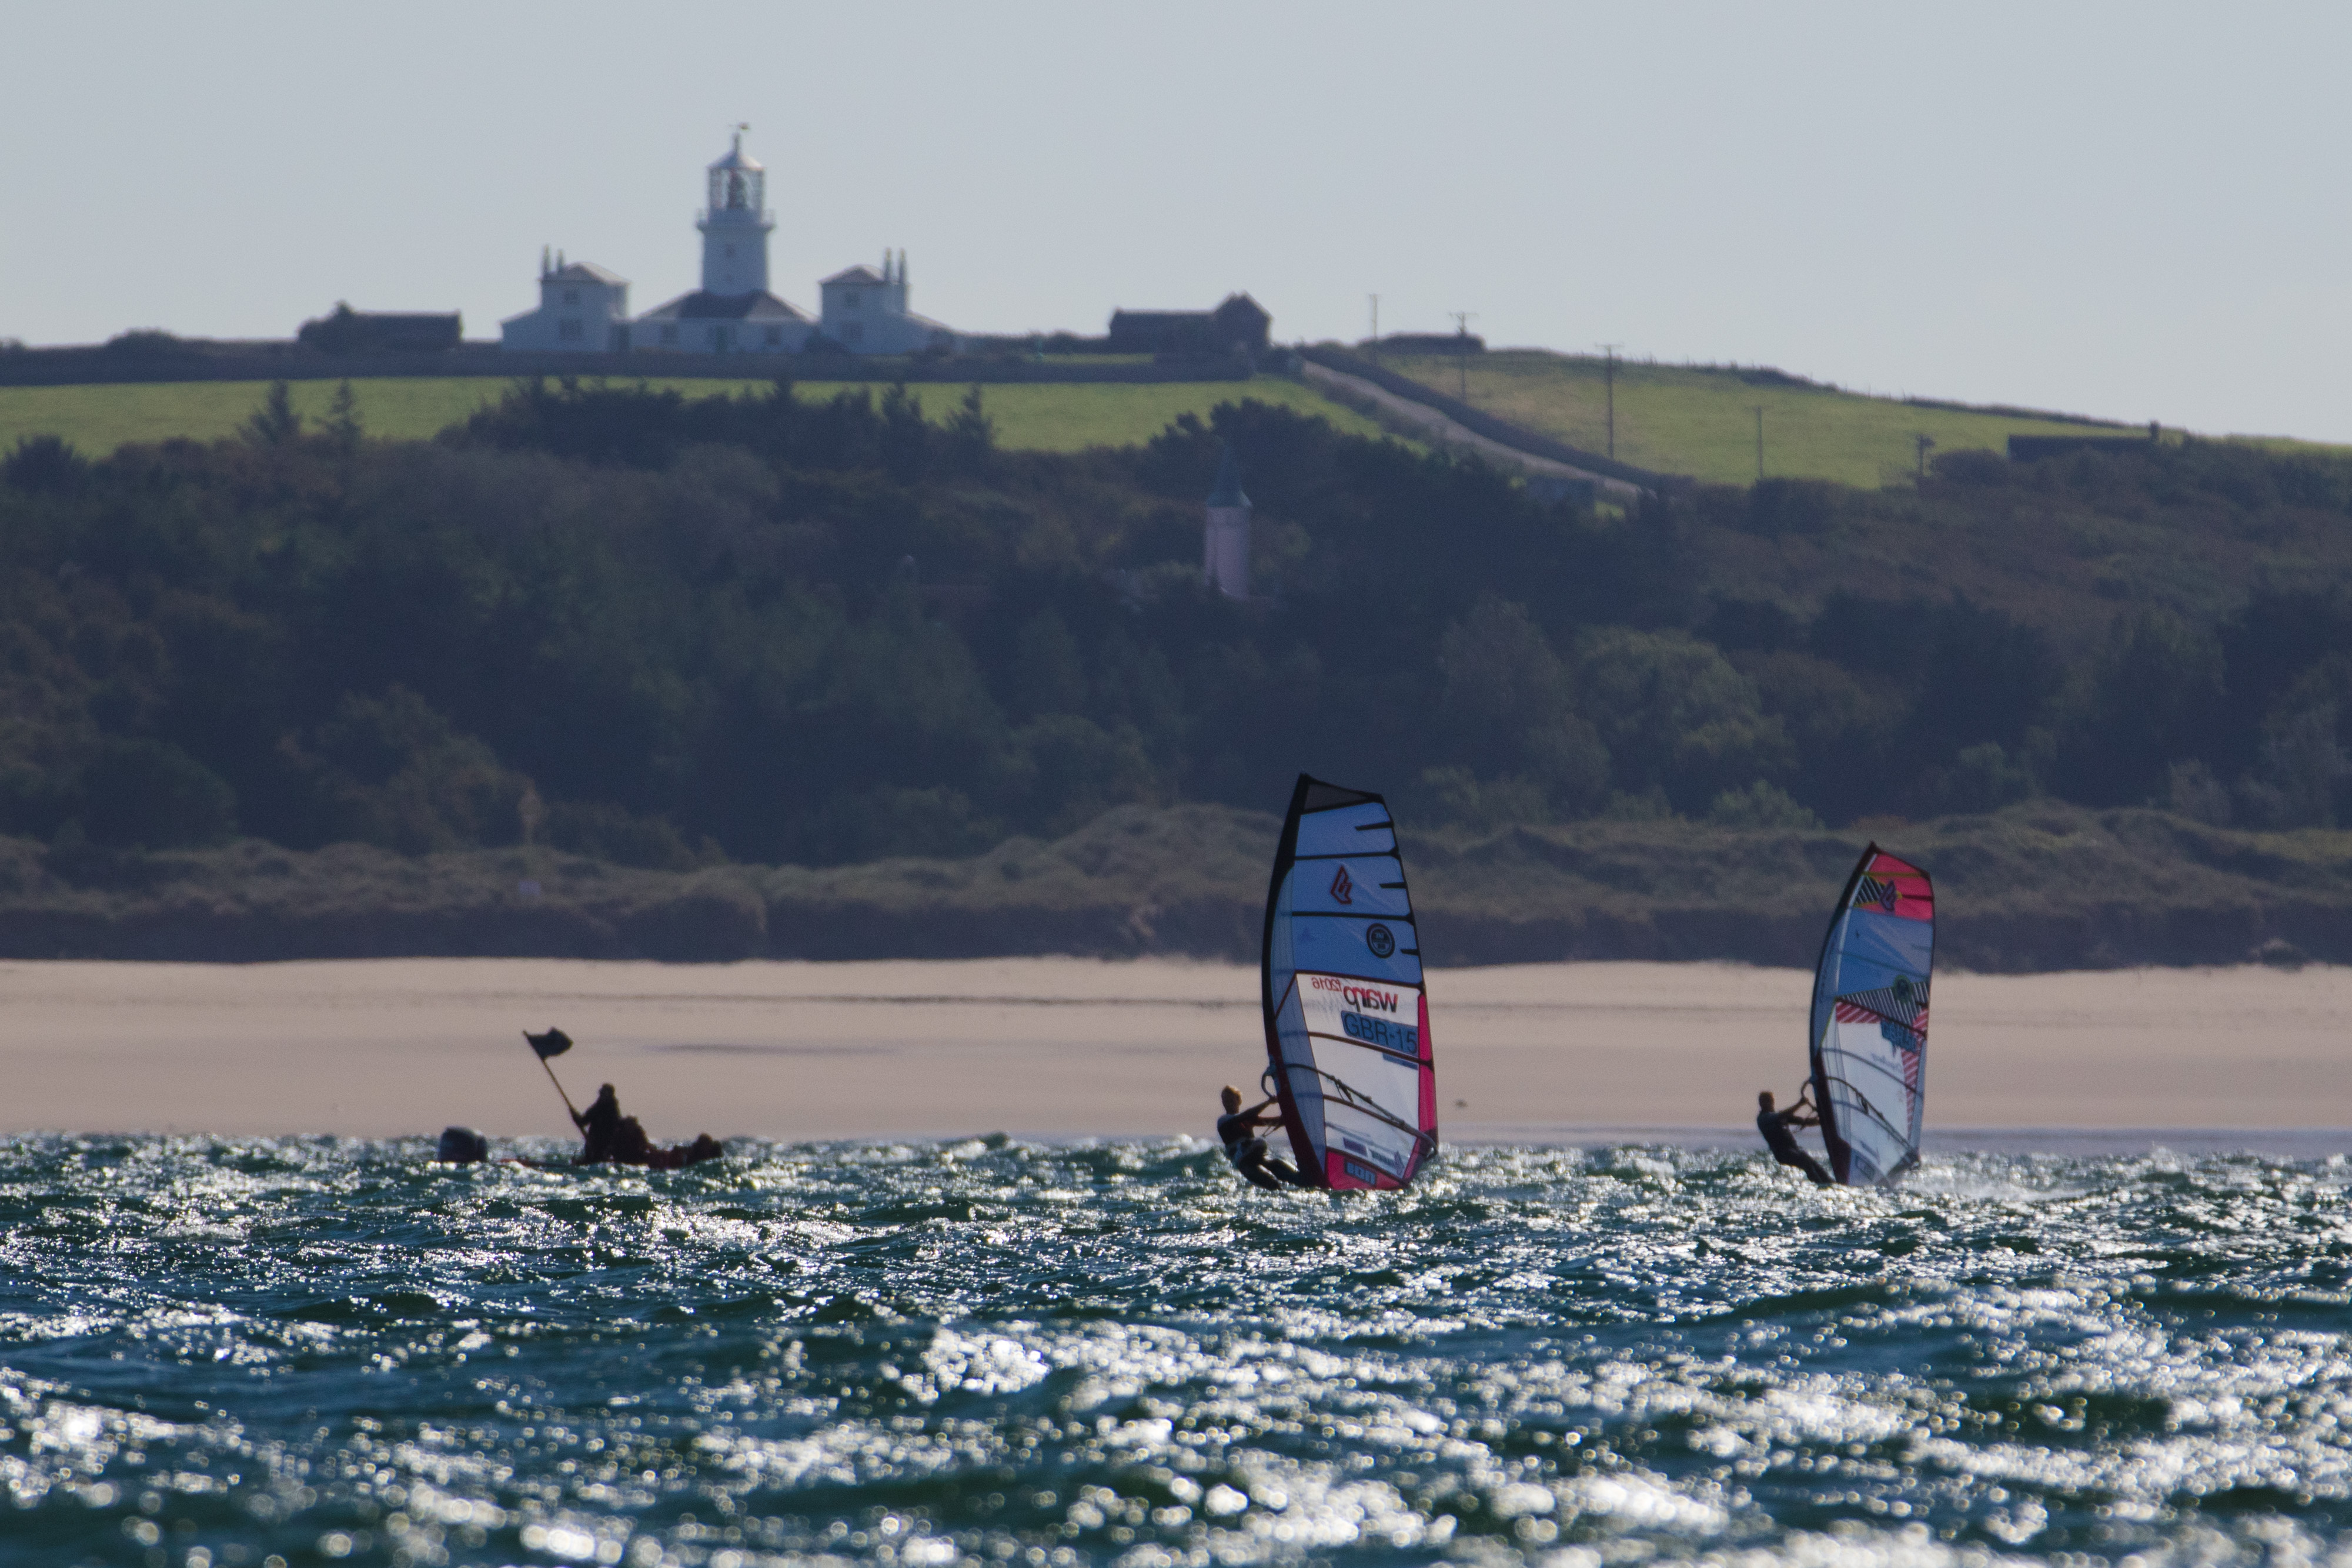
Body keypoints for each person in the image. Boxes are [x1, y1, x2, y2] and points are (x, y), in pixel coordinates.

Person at [1219, 1085, 1310, 1190]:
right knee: (1260, 1145)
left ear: (1239, 1100)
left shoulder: (1248, 1119)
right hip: (1244, 1164)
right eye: (1225, 1100)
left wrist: (1293, 1112)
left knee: (1276, 1163)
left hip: (1258, 1158)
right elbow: (1247, 1115)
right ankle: (1246, 1159)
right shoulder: (1223, 1121)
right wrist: (1268, 1103)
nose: (1227, 1103)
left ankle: (1304, 1181)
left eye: (1231, 1100)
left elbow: (1276, 1121)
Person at [1758, 1088, 1833, 1186]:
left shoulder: (1779, 1116)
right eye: (1766, 1101)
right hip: (1783, 1153)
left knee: (1814, 1164)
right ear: (1761, 1103)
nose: (1769, 1103)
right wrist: (1800, 1104)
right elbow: (1782, 1115)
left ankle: (1831, 1184)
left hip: (1794, 1150)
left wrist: (1823, 1121)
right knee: (1806, 1163)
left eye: (1771, 1100)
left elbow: (1803, 1121)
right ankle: (1821, 1186)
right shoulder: (1764, 1118)